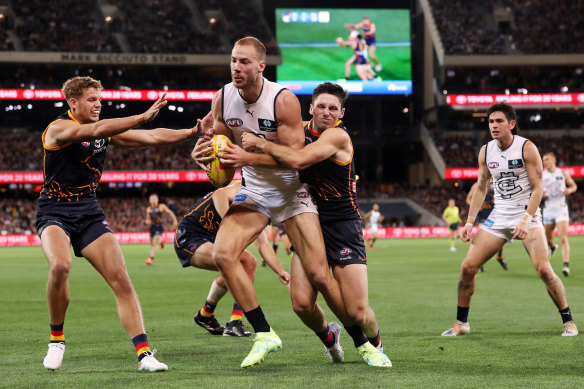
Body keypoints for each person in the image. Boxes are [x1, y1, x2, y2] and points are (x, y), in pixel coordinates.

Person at [191, 37, 388, 368]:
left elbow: (297, 160)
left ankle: (364, 343)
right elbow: (222, 171)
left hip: (299, 197)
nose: (236, 67)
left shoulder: (285, 103)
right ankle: (264, 333)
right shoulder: (222, 98)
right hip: (254, 189)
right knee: (225, 255)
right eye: (233, 61)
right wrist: (206, 160)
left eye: (244, 61)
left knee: (325, 281)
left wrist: (250, 153)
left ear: (261, 66)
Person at [36, 76, 212, 371]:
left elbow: (152, 138)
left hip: (89, 212)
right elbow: (94, 129)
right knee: (60, 265)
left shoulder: (103, 132)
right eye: (92, 99)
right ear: (73, 103)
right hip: (55, 212)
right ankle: (56, 341)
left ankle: (145, 355)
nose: (99, 104)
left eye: (100, 99)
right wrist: (141, 116)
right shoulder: (57, 129)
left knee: (121, 279)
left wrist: (192, 131)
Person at [242, 81, 392, 366]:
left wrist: (260, 145)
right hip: (308, 220)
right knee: (300, 303)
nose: (326, 112)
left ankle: (375, 341)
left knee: (358, 312)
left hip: (343, 224)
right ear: (310, 109)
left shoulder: (337, 136)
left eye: (333, 108)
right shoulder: (296, 131)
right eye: (320, 106)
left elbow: (298, 160)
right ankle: (328, 335)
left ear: (341, 113)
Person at [441, 102, 578, 337]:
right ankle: (461, 323)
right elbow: (481, 187)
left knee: (544, 269)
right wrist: (469, 222)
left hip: (528, 216)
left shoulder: (527, 148)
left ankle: (568, 321)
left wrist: (525, 220)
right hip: (499, 216)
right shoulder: (486, 151)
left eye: (499, 121)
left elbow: (537, 189)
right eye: (491, 121)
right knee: (467, 267)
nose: (493, 126)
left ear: (511, 124)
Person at [175, 181, 290, 337]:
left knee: (248, 262)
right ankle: (234, 323)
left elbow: (263, 244)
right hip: (190, 236)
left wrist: (281, 272)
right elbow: (219, 194)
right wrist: (228, 223)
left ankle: (206, 315)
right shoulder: (251, 187)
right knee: (239, 262)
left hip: (211, 237)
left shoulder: (261, 208)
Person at [542, 152, 577, 276]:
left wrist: (569, 190)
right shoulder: (541, 175)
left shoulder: (562, 173)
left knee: (563, 237)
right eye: (543, 160)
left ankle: (566, 265)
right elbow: (537, 190)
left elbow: (574, 186)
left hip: (561, 209)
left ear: (553, 160)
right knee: (548, 239)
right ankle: (552, 247)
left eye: (547, 159)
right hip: (548, 209)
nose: (545, 162)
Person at [466, 180, 508, 271]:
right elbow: (468, 199)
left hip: (495, 213)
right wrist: (477, 206)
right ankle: (480, 262)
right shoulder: (477, 185)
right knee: (482, 236)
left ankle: (499, 257)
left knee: (501, 239)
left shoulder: (498, 182)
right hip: (483, 214)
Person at [145, 193, 177, 265]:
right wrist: (147, 221)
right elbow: (147, 219)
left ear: (157, 200)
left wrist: (175, 220)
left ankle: (151, 259)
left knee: (154, 243)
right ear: (149, 200)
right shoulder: (148, 209)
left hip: (158, 226)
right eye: (151, 199)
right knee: (152, 244)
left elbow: (170, 212)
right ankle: (161, 242)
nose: (153, 200)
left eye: (154, 199)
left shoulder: (161, 206)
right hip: (152, 227)